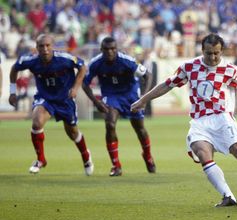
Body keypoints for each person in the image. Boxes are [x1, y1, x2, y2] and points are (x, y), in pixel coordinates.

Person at [131, 33, 237, 207]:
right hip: (199, 121)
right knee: (202, 152)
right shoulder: (189, 67)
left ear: (222, 51)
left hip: (222, 118)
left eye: (216, 53)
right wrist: (143, 100)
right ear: (202, 50)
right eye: (208, 53)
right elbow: (167, 84)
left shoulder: (229, 69)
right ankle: (228, 196)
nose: (212, 57)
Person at [8, 34, 94, 176]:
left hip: (65, 100)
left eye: (48, 45)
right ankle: (41, 159)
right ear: (37, 48)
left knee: (73, 133)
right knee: (36, 123)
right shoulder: (30, 60)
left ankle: (85, 156)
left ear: (52, 46)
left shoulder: (64, 59)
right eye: (41, 46)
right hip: (45, 98)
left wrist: (75, 88)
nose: (45, 49)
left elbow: (82, 67)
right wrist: (12, 92)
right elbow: (14, 68)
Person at [82, 37, 156, 176]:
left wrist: (144, 98)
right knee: (110, 124)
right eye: (106, 49)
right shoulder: (95, 63)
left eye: (112, 49)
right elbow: (85, 83)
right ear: (101, 50)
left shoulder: (127, 61)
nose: (110, 52)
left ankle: (147, 155)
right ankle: (116, 165)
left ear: (117, 49)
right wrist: (96, 102)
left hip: (130, 94)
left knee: (140, 129)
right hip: (111, 96)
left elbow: (148, 75)